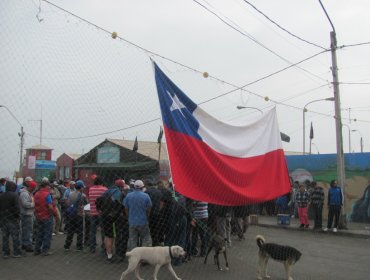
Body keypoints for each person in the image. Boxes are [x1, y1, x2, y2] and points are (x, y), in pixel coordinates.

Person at [96, 178, 124, 262]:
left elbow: (98, 201)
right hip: (115, 217)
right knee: (116, 235)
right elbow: (122, 205)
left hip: (105, 216)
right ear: (121, 186)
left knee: (108, 235)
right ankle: (118, 253)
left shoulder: (107, 191)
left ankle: (109, 255)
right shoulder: (119, 193)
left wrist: (100, 210)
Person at [123, 179, 152, 251]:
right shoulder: (146, 196)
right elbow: (149, 208)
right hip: (143, 221)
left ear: (134, 187)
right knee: (145, 239)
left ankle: (133, 255)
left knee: (132, 239)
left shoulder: (128, 196)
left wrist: (128, 216)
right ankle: (144, 256)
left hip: (132, 221)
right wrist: (147, 216)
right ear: (142, 187)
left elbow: (126, 208)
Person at [33, 181, 58, 256]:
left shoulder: (36, 194)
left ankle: (37, 250)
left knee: (39, 233)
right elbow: (50, 206)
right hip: (47, 216)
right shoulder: (47, 194)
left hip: (39, 216)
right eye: (49, 186)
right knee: (47, 234)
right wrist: (54, 212)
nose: (50, 187)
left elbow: (35, 205)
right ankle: (45, 250)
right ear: (46, 186)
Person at [63, 180, 88, 251]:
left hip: (71, 215)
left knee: (70, 230)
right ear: (81, 187)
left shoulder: (70, 194)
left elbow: (67, 203)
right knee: (80, 231)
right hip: (79, 214)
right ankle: (79, 246)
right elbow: (86, 204)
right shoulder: (83, 195)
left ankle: (67, 246)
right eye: (83, 187)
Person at [0, 181, 23, 258]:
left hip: (3, 219)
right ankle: (16, 252)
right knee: (15, 236)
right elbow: (17, 208)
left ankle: (6, 253)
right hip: (13, 219)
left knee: (5, 237)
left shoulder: (1, 195)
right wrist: (18, 216)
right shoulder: (14, 195)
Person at [88, 176, 107, 253]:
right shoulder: (105, 189)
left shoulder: (91, 189)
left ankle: (92, 247)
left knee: (92, 231)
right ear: (101, 182)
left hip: (93, 212)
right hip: (102, 213)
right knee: (103, 231)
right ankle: (104, 247)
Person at [19, 179, 37, 252]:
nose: (34, 190)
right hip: (26, 214)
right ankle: (28, 245)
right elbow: (25, 204)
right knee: (28, 230)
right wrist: (34, 204)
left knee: (26, 230)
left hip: (28, 213)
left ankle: (25, 244)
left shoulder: (28, 193)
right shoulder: (24, 194)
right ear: (30, 187)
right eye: (33, 188)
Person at [145, 178, 163, 246]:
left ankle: (152, 243)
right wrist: (159, 209)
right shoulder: (158, 191)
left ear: (147, 185)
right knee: (156, 229)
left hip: (150, 214)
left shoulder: (147, 192)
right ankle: (156, 243)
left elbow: (146, 204)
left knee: (150, 229)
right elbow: (161, 202)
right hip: (157, 213)